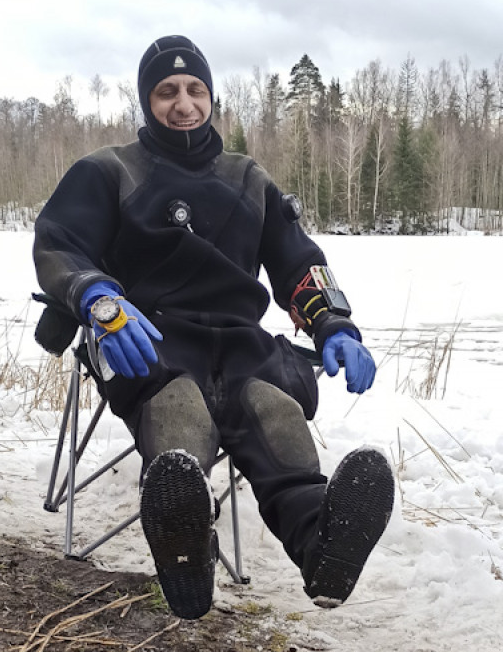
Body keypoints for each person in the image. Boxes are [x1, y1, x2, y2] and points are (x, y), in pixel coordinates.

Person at [33, 35, 394, 620]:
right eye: (167, 91)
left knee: (272, 406)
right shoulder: (108, 170)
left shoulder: (247, 178)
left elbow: (298, 259)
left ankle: (323, 545)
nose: (183, 103)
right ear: (147, 100)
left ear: (211, 98)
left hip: (238, 339)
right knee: (180, 408)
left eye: (195, 90)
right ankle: (187, 549)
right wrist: (99, 301)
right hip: (144, 333)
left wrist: (334, 325)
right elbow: (59, 245)